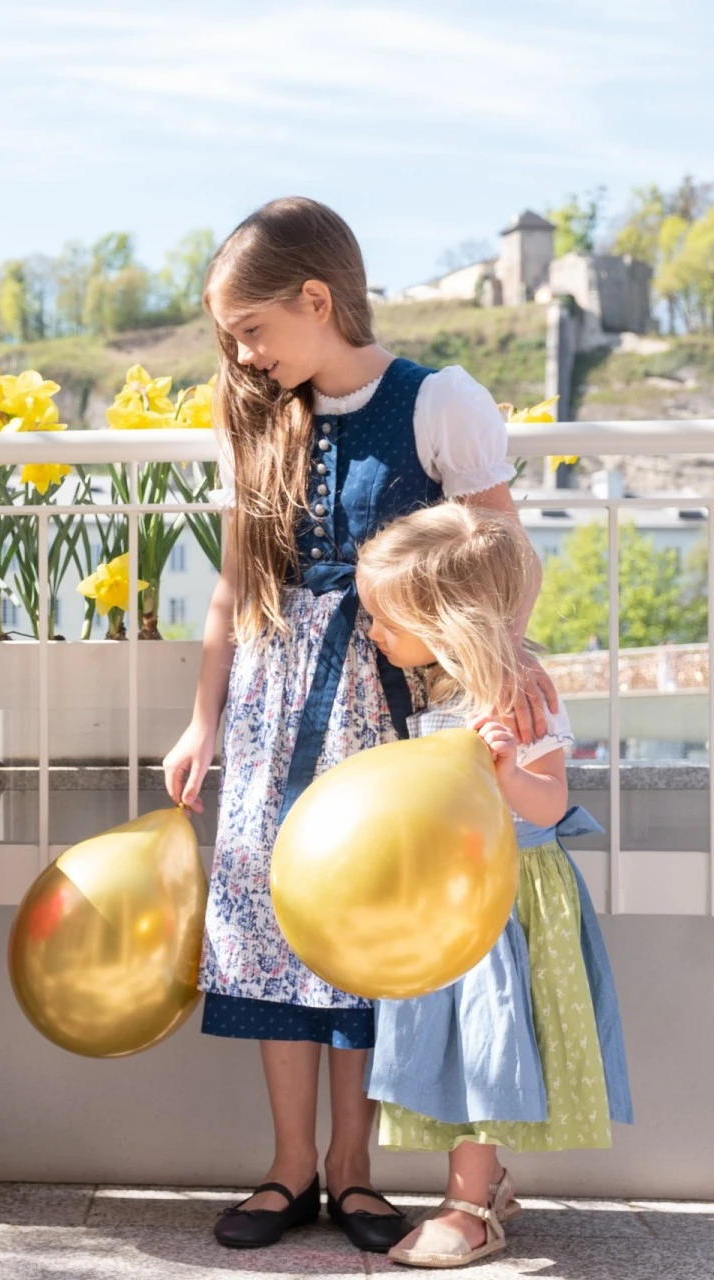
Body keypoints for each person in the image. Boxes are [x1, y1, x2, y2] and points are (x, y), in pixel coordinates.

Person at [160, 197, 556, 1254]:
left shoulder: (437, 402)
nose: (242, 353)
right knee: (274, 921)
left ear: (317, 300)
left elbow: (502, 560)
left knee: (362, 919)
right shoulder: (259, 416)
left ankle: (355, 1167)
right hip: (271, 702)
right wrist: (202, 720)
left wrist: (490, 676)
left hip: (386, 706)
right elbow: (231, 590)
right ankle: (289, 1166)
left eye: (252, 328)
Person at [354, 504, 632, 1269]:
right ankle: (479, 1186)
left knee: (484, 1048)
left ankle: (471, 1206)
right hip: (450, 901)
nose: (374, 630)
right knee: (455, 1050)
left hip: (504, 904)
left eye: (386, 617)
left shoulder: (517, 694)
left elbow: (549, 802)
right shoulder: (440, 691)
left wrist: (509, 772)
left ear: (448, 621)